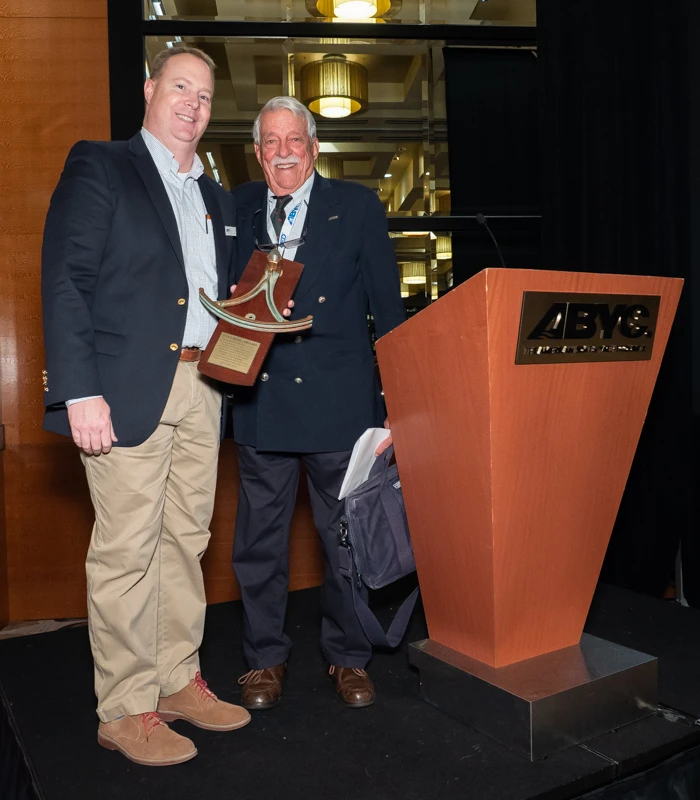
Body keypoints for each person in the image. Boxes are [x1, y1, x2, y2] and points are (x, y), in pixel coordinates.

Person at [41, 45, 250, 767]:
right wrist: (78, 388)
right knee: (127, 550)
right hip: (122, 388)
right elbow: (66, 278)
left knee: (186, 540)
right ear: (149, 90)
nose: (193, 103)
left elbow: (220, 297)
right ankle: (126, 708)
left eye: (205, 95)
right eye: (180, 88)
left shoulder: (215, 195)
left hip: (203, 386)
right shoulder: (102, 165)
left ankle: (174, 680)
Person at [231, 96, 405, 710]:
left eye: (294, 140)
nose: (282, 152)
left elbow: (389, 311)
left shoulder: (356, 207)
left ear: (313, 148)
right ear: (257, 153)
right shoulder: (240, 206)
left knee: (344, 545)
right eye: (270, 142)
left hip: (340, 405)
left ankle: (348, 657)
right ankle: (264, 661)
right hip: (263, 402)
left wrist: (398, 410)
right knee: (258, 544)